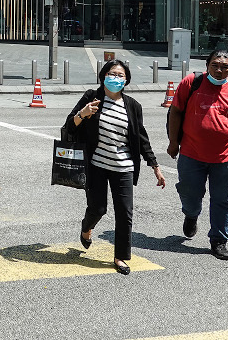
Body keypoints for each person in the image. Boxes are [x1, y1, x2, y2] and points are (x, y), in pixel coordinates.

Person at [64, 59, 165, 275]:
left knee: (125, 213)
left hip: (124, 166)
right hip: (97, 165)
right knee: (98, 209)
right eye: (112, 73)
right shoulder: (92, 97)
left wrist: (154, 165)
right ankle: (86, 227)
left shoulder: (133, 106)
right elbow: (68, 127)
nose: (116, 78)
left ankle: (120, 257)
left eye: (120, 75)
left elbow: (141, 138)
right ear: (103, 76)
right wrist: (84, 114)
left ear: (127, 79)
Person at [167, 49, 228, 260]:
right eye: (215, 65)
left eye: (225, 67)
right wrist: (173, 142)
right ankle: (191, 215)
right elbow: (176, 111)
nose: (219, 70)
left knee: (223, 200)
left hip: (227, 157)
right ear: (207, 65)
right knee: (190, 194)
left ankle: (218, 240)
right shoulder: (191, 83)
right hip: (191, 154)